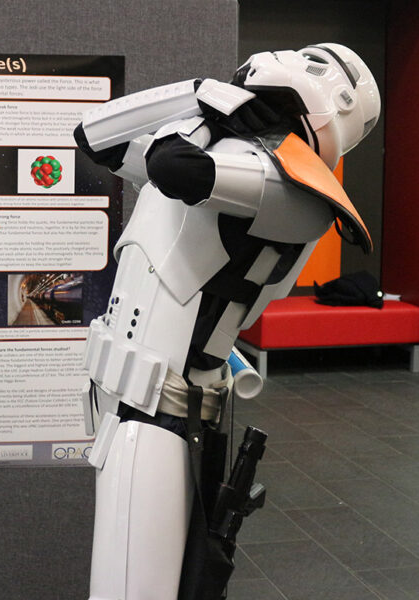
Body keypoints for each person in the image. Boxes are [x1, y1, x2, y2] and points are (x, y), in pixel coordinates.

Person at [75, 43, 380, 599]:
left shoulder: (294, 188)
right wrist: (199, 98)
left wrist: (208, 106)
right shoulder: (217, 143)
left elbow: (174, 169)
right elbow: (93, 137)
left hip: (157, 413)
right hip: (122, 401)